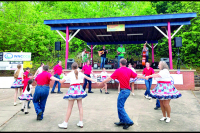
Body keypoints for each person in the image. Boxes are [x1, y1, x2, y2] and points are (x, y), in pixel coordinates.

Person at [98, 58, 148, 129]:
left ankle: (128, 121)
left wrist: (101, 82)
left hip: (124, 91)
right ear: (126, 63)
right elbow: (137, 76)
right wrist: (145, 77)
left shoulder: (118, 71)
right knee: (119, 106)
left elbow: (109, 78)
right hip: (126, 91)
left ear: (120, 64)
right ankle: (122, 120)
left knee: (120, 107)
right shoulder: (129, 70)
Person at [58, 62, 98, 129]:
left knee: (70, 107)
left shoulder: (70, 74)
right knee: (80, 106)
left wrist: (59, 79)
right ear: (77, 67)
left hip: (72, 89)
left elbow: (62, 82)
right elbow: (88, 78)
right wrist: (96, 82)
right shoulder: (80, 73)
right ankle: (81, 122)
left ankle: (65, 123)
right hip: (79, 89)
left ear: (71, 67)